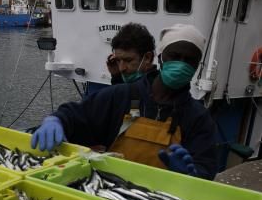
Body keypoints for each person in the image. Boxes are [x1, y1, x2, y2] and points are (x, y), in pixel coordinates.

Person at [31, 22, 218, 179]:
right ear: (161, 58)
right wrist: (57, 120)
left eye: (190, 60)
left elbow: (206, 169)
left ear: (197, 66)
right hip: (112, 191)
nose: (181, 64)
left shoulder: (198, 117)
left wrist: (191, 176)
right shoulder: (123, 96)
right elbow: (78, 115)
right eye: (175, 56)